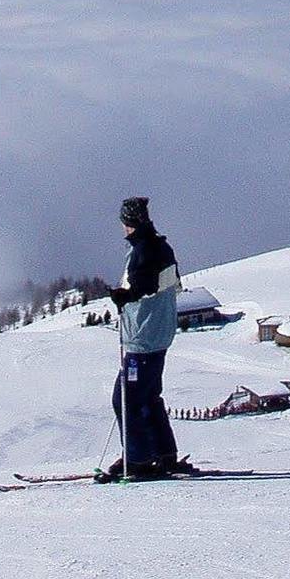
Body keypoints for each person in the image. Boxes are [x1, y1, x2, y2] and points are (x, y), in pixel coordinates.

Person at [100, 195, 184, 481]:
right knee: (148, 396)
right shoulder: (160, 246)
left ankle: (139, 458)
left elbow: (143, 287)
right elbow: (170, 285)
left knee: (126, 398)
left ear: (129, 222)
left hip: (144, 336)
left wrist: (122, 296)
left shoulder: (143, 250)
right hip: (158, 333)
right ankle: (162, 453)